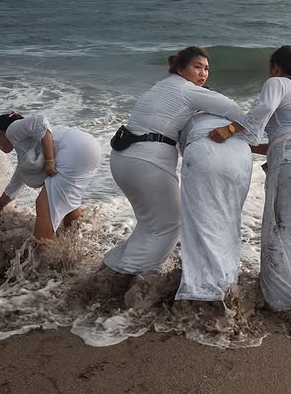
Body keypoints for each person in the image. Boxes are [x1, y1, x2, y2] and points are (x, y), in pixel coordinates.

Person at [102, 46, 246, 275]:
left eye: (207, 69)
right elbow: (235, 109)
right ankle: (132, 276)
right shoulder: (186, 90)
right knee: (170, 224)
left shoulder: (163, 86)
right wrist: (230, 129)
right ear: (180, 68)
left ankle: (112, 268)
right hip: (146, 162)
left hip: (124, 157)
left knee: (150, 223)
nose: (203, 73)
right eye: (197, 67)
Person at [209, 45, 291, 311]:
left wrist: (229, 130)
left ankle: (288, 302)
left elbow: (262, 110)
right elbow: (287, 134)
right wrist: (249, 147)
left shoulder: (277, 82)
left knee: (284, 228)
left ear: (275, 66)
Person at [174, 112, 252, 302]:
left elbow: (183, 149)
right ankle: (227, 283)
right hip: (242, 153)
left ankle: (201, 291)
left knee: (200, 222)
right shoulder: (226, 115)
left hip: (206, 150)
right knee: (228, 220)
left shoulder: (188, 116)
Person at [0, 112, 101, 239]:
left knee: (44, 204)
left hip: (71, 150)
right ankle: (72, 243)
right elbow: (15, 185)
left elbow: (40, 121)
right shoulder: (30, 149)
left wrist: (50, 160)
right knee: (69, 203)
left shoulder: (12, 130)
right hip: (89, 147)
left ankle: (42, 255)